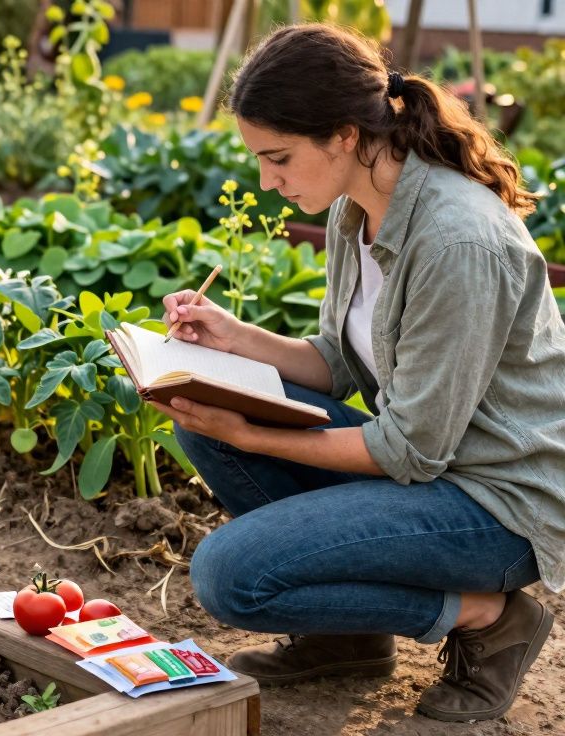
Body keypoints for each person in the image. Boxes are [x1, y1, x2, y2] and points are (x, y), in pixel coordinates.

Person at [152, 23, 565, 723]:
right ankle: (346, 636)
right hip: (434, 474)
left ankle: (488, 618)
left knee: (230, 576)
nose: (266, 180)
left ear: (343, 135)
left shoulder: (456, 240)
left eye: (278, 157)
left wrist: (256, 436)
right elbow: (338, 365)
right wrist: (231, 338)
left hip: (501, 505)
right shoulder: (358, 209)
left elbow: (409, 449)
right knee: (206, 426)